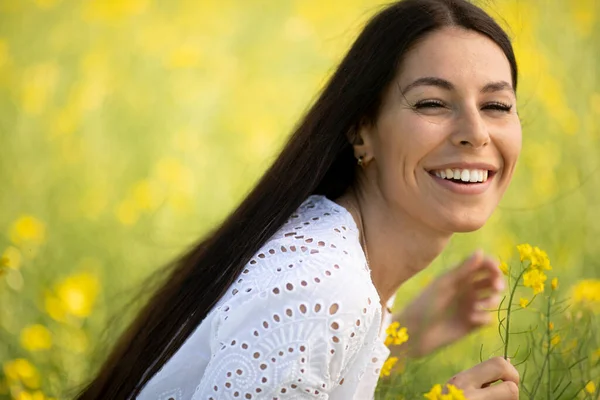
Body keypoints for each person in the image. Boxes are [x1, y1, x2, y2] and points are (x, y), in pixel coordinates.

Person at [76, 0, 522, 398]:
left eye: (496, 106)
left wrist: (398, 340)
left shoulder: (331, 254)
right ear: (361, 130)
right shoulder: (320, 287)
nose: (476, 133)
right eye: (432, 103)